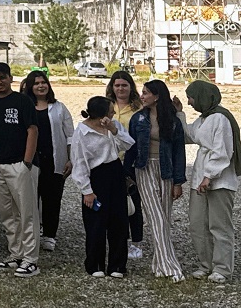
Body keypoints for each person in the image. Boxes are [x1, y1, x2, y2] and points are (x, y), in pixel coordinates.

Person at [174, 80, 239, 283]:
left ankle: (222, 268)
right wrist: (180, 113)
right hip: (201, 180)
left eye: (191, 98)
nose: (189, 102)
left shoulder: (220, 118)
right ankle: (206, 264)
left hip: (219, 182)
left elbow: (222, 151)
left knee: (219, 226)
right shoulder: (204, 119)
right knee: (198, 224)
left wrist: (209, 176)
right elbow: (190, 135)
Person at [0, 62, 41, 278]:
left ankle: (31, 259)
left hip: (20, 165)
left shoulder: (23, 101)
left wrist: (27, 162)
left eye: (2, 77)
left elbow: (32, 130)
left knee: (27, 213)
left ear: (10, 78)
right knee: (7, 213)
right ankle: (16, 253)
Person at [70, 97, 135, 278]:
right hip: (96, 176)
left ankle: (117, 265)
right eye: (110, 110)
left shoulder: (112, 126)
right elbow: (79, 162)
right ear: (101, 114)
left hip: (115, 172)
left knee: (119, 221)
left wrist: (114, 130)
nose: (113, 112)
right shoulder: (82, 132)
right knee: (96, 222)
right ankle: (94, 264)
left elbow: (129, 144)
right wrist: (87, 191)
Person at [128, 80, 186, 281]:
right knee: (156, 218)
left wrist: (178, 182)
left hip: (166, 170)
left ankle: (159, 264)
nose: (142, 96)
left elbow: (179, 152)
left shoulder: (172, 121)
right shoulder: (138, 119)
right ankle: (171, 267)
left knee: (165, 218)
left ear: (157, 96)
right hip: (144, 169)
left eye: (146, 93)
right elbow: (131, 147)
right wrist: (126, 174)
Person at [21, 71, 73, 253]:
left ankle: (50, 234)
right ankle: (32, 233)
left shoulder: (59, 108)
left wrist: (70, 159)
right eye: (36, 83)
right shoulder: (25, 107)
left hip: (53, 160)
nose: (41, 86)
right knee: (29, 199)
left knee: (52, 199)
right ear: (30, 86)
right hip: (30, 160)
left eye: (43, 82)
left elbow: (70, 135)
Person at [106, 71, 145, 259]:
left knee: (133, 203)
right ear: (112, 87)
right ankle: (119, 240)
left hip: (132, 160)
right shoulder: (106, 106)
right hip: (109, 160)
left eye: (124, 85)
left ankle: (136, 242)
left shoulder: (139, 109)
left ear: (131, 87)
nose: (120, 88)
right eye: (117, 85)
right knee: (114, 203)